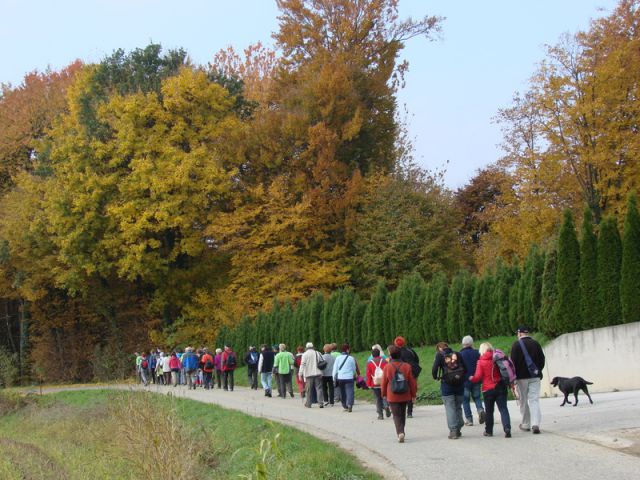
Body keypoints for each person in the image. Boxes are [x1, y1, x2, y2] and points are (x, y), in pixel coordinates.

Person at [469, 342, 511, 438]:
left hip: (488, 389)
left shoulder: (481, 361)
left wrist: (471, 378)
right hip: (500, 386)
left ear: (482, 350)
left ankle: (489, 431)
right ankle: (507, 428)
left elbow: (478, 377)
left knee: (489, 411)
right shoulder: (497, 358)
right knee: (503, 409)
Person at [510, 325, 546, 434]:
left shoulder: (516, 345)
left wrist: (513, 378)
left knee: (523, 400)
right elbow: (542, 360)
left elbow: (512, 364)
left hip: (521, 378)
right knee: (534, 400)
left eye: (517, 333)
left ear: (520, 333)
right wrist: (537, 370)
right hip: (535, 376)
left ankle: (526, 424)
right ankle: (535, 424)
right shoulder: (536, 344)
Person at [381, 345, 417, 443]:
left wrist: (383, 394)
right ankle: (402, 431)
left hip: (392, 395)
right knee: (402, 414)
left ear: (391, 356)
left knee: (396, 415)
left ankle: (400, 432)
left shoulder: (387, 367)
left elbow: (384, 382)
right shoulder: (407, 366)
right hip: (405, 394)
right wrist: (413, 395)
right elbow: (412, 382)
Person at [432, 345, 467, 439]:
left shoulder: (440, 356)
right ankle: (459, 426)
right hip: (459, 385)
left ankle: (453, 430)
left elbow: (434, 369)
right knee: (458, 406)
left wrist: (435, 377)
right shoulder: (458, 354)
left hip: (447, 385)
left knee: (450, 407)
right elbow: (465, 368)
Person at [459, 335, 485, 426]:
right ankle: (480, 410)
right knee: (477, 397)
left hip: (465, 381)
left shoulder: (460, 354)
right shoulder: (477, 353)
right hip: (476, 379)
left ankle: (469, 420)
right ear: (471, 343)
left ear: (463, 344)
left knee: (465, 400)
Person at [395, 336, 421, 418]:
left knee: (401, 390)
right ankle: (409, 412)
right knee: (411, 391)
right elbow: (417, 359)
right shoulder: (410, 350)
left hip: (402, 373)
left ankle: (400, 409)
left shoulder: (396, 352)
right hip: (413, 372)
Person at [332, 343, 358, 412]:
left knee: (342, 392)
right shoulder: (351, 358)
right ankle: (349, 404)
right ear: (347, 350)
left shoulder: (338, 358)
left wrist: (333, 378)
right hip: (349, 377)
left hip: (340, 377)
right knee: (350, 391)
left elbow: (335, 369)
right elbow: (354, 368)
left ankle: (344, 405)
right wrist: (353, 374)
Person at [366, 347, 391, 419]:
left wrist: (369, 384)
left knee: (377, 398)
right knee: (384, 396)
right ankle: (386, 406)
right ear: (379, 354)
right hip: (384, 382)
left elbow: (368, 374)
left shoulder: (370, 363)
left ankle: (380, 414)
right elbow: (387, 372)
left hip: (375, 383)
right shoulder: (384, 361)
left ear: (372, 355)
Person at [299, 342, 325, 408]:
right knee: (319, 389)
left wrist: (300, 374)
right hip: (318, 373)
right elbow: (323, 361)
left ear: (306, 347)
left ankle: (308, 403)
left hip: (309, 374)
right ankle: (320, 403)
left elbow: (302, 365)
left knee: (309, 389)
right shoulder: (318, 353)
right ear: (313, 347)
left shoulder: (305, 354)